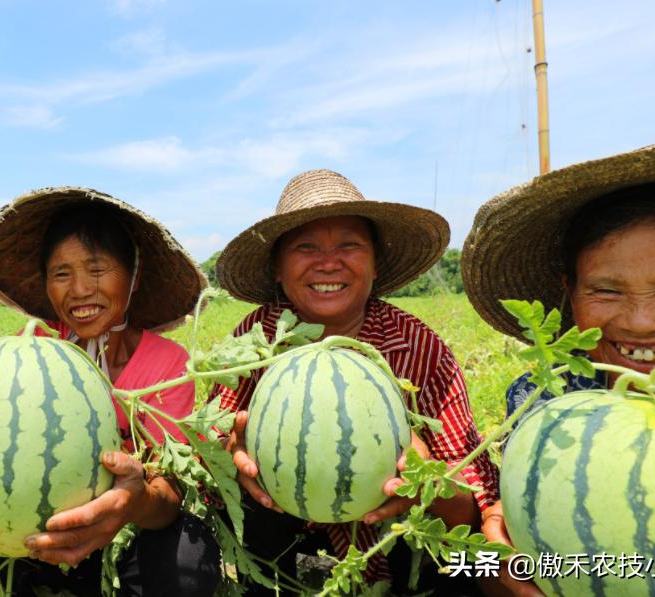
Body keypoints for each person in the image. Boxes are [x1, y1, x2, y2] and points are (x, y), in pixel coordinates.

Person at [461, 140, 655, 596]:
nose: (641, 322)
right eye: (607, 291)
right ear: (570, 294)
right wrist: (498, 557)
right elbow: (520, 539)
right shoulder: (547, 398)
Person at [211, 169, 499, 594]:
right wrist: (231, 455)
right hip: (289, 532)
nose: (329, 263)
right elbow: (211, 447)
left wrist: (429, 483)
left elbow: (474, 501)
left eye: (349, 245)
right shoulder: (253, 341)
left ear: (375, 264)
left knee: (462, 570)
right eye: (305, 247)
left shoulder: (418, 346)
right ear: (277, 269)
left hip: (401, 537)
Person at [0, 186, 220, 595]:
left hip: (126, 536)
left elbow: (169, 496)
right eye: (61, 274)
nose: (78, 290)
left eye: (97, 271)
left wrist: (132, 502)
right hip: (38, 535)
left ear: (133, 276)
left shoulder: (168, 365)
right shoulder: (31, 351)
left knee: (186, 555)